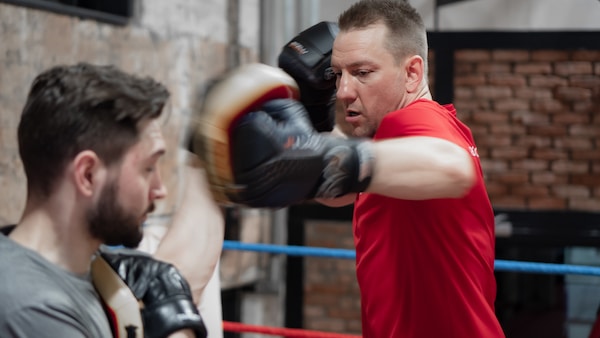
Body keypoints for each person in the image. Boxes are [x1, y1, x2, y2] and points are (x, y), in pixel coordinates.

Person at [196, 0, 506, 337]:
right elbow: (337, 191)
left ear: (412, 73)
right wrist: (314, 119)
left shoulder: (412, 121)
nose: (343, 91)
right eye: (338, 74)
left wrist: (323, 157)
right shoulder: (425, 129)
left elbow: (453, 168)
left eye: (362, 73)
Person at [0, 63, 206, 338]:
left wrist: (212, 162)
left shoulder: (87, 269)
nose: (160, 190)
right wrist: (178, 325)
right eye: (147, 168)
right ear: (88, 174)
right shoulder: (32, 308)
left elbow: (187, 261)